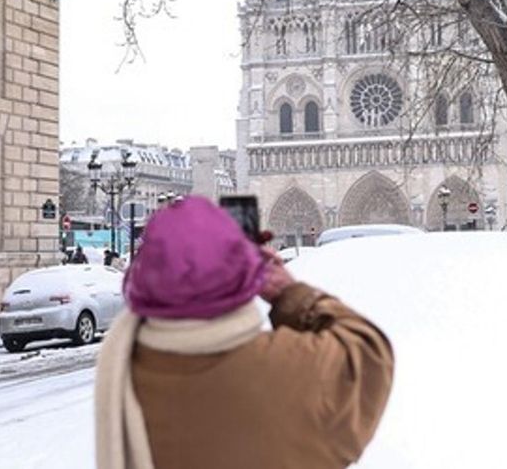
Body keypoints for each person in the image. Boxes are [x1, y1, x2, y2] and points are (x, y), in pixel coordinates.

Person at [94, 196, 394, 469]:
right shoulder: (293, 371)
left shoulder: (124, 369)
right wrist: (288, 292)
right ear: (243, 275)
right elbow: (369, 353)